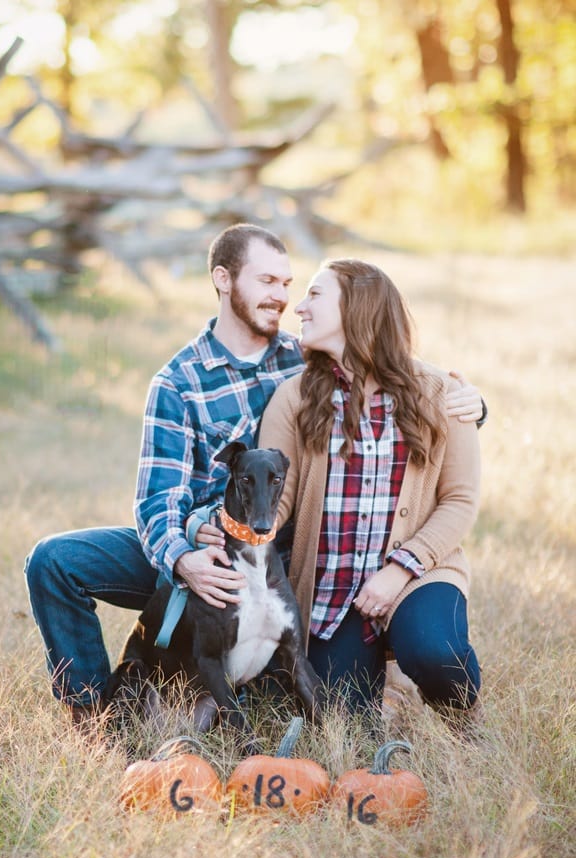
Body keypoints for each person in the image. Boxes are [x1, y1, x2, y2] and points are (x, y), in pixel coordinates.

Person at [24, 224, 484, 727]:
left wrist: (472, 404)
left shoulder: (305, 358)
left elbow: (392, 372)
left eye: (290, 285)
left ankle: (262, 676)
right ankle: (93, 716)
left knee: (335, 705)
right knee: (54, 560)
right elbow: (157, 504)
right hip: (198, 545)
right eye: (268, 282)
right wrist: (184, 558)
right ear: (224, 279)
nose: (284, 299)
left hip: (272, 552)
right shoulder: (179, 383)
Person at [255, 257, 482, 732]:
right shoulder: (294, 397)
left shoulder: (442, 392)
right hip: (334, 594)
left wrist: (400, 570)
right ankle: (388, 685)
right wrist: (247, 527)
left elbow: (460, 500)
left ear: (357, 306)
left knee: (434, 651)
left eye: (315, 294)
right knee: (342, 726)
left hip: (418, 573)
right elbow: (280, 493)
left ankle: (465, 722)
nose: (299, 307)